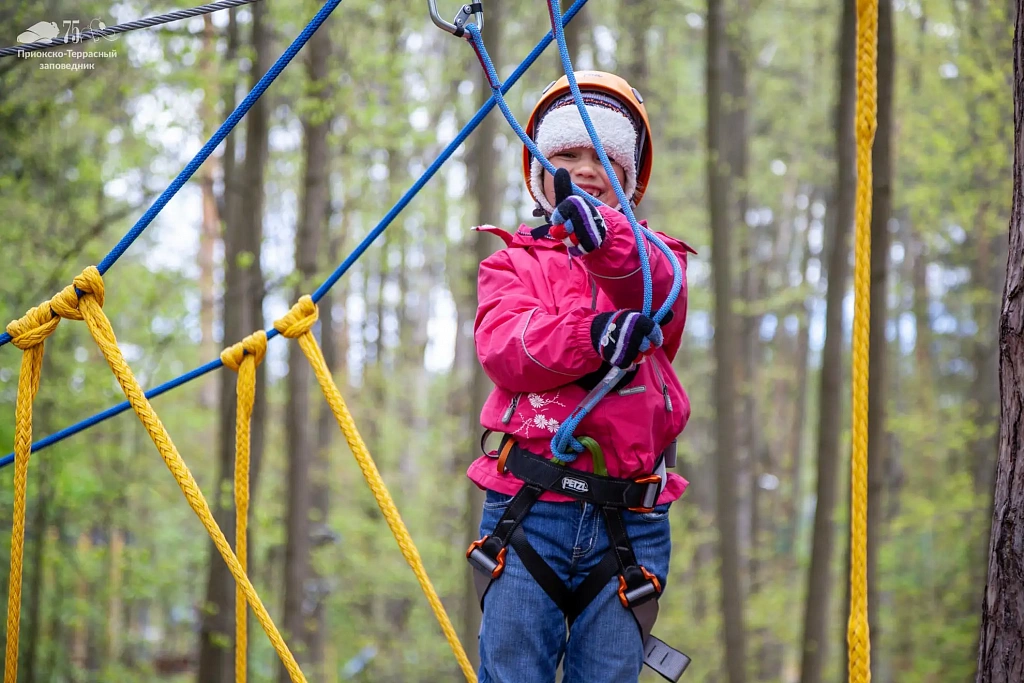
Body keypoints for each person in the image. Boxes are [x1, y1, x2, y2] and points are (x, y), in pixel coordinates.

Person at [465, 71, 695, 683]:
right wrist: (592, 337)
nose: (586, 168)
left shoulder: (655, 263)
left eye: (604, 158)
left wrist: (606, 243)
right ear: (539, 170)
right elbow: (505, 348)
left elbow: (656, 294)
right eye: (567, 154)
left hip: (628, 527)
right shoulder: (510, 263)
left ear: (630, 180)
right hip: (527, 510)